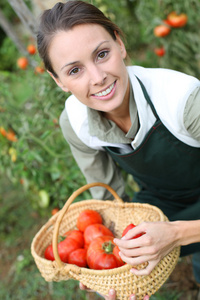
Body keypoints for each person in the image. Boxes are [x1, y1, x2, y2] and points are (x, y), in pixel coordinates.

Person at [37, 1, 200, 299]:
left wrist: (177, 233)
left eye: (102, 54)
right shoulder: (75, 122)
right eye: (75, 70)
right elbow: (112, 208)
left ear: (120, 44)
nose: (97, 77)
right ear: (58, 81)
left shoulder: (182, 100)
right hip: (164, 200)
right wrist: (109, 268)